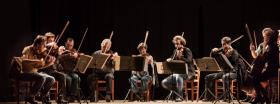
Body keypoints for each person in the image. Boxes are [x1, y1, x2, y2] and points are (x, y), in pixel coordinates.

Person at [207, 36, 245, 102]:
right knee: (208, 77)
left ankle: (226, 97)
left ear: (229, 44)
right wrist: (212, 51)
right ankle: (209, 97)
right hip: (224, 71)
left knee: (225, 77)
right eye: (222, 44)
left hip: (234, 72)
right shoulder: (221, 52)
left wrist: (230, 54)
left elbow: (234, 60)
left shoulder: (234, 52)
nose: (223, 46)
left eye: (225, 44)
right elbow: (212, 57)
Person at [21, 35, 55, 104]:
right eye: (43, 45)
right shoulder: (27, 49)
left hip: (34, 72)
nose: (44, 47)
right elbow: (23, 61)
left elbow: (37, 67)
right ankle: (30, 96)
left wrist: (48, 64)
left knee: (51, 79)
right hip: (25, 72)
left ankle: (43, 95)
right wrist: (36, 61)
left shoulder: (37, 53)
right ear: (37, 44)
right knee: (42, 77)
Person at [249, 28, 279, 104]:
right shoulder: (269, 46)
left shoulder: (273, 46)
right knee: (255, 78)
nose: (265, 38)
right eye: (264, 36)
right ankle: (263, 98)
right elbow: (260, 57)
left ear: (270, 37)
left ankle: (262, 97)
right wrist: (253, 50)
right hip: (268, 70)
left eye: (267, 36)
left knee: (255, 78)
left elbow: (264, 57)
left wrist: (265, 48)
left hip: (273, 71)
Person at [161, 35, 195, 102]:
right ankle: (177, 91)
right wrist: (169, 59)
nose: (176, 46)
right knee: (164, 82)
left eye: (177, 44)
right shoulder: (175, 51)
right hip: (177, 73)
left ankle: (179, 96)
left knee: (178, 76)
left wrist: (181, 57)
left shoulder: (187, 50)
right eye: (175, 44)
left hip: (189, 73)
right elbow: (172, 59)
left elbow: (189, 60)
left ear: (182, 44)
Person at [39, 32, 68, 103]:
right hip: (44, 69)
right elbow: (44, 56)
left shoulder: (53, 49)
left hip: (52, 70)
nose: (52, 42)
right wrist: (47, 45)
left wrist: (59, 53)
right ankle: (45, 97)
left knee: (62, 76)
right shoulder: (42, 48)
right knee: (48, 78)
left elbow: (56, 61)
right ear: (46, 41)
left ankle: (60, 97)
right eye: (50, 41)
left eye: (53, 40)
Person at [58, 38, 81, 102]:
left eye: (71, 45)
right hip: (63, 71)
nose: (69, 47)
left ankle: (72, 96)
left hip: (71, 71)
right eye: (68, 45)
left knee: (77, 77)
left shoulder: (74, 51)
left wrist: (77, 57)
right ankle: (66, 96)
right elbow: (59, 58)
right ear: (65, 44)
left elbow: (78, 61)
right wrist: (69, 55)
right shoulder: (62, 50)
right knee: (69, 79)